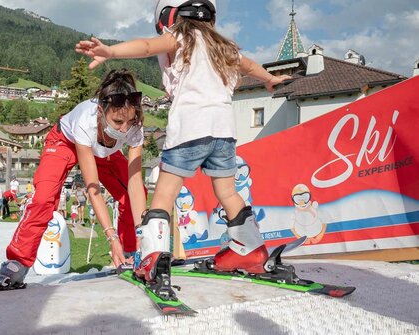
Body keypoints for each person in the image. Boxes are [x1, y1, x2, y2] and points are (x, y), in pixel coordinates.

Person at [76, 0, 291, 295]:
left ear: (171, 16)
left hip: (191, 128)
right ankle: (251, 250)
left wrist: (111, 51)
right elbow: (249, 65)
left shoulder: (180, 37)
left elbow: (147, 46)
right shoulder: (223, 47)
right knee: (228, 192)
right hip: (224, 132)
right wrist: (269, 79)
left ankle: (152, 259)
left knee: (164, 193)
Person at [0, 69, 147, 289]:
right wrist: (111, 238)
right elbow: (93, 188)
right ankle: (17, 261)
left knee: (134, 193)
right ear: (101, 111)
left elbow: (134, 182)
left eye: (129, 122)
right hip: (66, 142)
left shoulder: (135, 129)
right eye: (117, 121)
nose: (124, 129)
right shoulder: (86, 120)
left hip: (104, 152)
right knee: (45, 197)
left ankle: (131, 254)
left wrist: (142, 232)